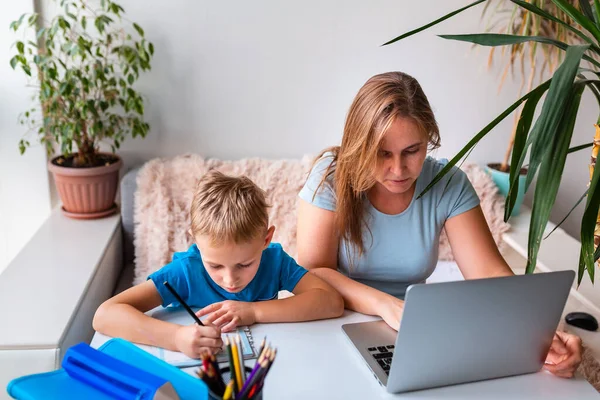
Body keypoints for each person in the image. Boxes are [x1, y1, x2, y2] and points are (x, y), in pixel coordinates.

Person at [296, 71, 583, 378]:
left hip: (408, 331)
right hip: (333, 320)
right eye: (382, 154)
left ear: (428, 139)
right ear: (360, 144)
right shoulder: (331, 178)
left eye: (412, 151)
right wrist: (386, 305)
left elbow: (490, 274)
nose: (398, 169)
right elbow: (313, 272)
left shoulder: (449, 184)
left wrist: (541, 332)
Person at [94, 170, 343, 359]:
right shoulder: (186, 271)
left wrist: (254, 312)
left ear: (266, 239)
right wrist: (176, 338)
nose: (230, 279)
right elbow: (105, 315)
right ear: (196, 240)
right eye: (215, 266)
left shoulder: (274, 262)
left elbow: (330, 301)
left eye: (244, 264)